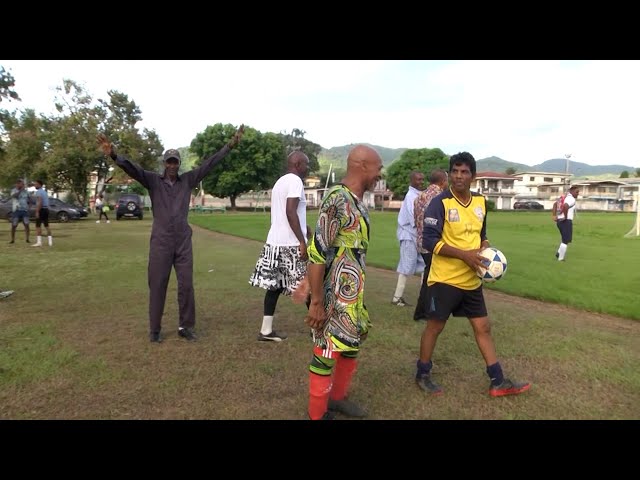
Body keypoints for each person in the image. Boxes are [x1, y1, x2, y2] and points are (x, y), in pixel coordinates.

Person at [97, 126, 245, 343]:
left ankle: (186, 326)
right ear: (164, 164)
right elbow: (133, 169)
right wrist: (114, 155)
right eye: (169, 162)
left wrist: (229, 146)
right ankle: (154, 329)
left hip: (183, 240)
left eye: (175, 162)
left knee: (186, 285)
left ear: (179, 164)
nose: (173, 165)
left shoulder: (188, 180)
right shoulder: (153, 181)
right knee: (157, 283)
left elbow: (209, 165)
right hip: (161, 241)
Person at [416, 151, 530, 397]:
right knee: (435, 327)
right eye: (454, 172)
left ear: (473, 176)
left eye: (464, 172)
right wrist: (465, 255)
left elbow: (481, 234)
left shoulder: (480, 202)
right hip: (444, 279)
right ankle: (422, 373)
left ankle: (497, 381)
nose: (458, 176)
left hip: (472, 279)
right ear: (449, 174)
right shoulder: (440, 203)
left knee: (483, 327)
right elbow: (429, 241)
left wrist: (485, 247)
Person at [305, 144, 383, 420]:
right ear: (362, 166)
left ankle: (336, 399)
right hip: (332, 295)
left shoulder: (359, 201)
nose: (380, 173)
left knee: (350, 346)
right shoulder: (337, 199)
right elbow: (317, 251)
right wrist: (315, 302)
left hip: (354, 294)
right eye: (378, 167)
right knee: (327, 350)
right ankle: (317, 414)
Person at [248, 151, 311, 342]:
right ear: (298, 164)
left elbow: (289, 214)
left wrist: (305, 228)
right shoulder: (295, 181)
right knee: (307, 285)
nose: (308, 168)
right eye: (306, 164)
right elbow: (290, 211)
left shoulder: (280, 182)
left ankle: (266, 331)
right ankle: (319, 330)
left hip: (275, 242)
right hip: (290, 244)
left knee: (274, 287)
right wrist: (301, 240)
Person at [412, 169, 448, 321]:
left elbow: (416, 221)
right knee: (432, 280)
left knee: (429, 277)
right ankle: (425, 312)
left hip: (421, 242)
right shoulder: (441, 198)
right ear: (442, 181)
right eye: (446, 180)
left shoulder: (419, 197)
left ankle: (423, 312)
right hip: (434, 244)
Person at [392, 170, 425, 306]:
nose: (421, 182)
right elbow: (415, 219)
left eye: (422, 179)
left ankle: (424, 297)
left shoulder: (417, 195)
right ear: (411, 181)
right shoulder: (411, 196)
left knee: (425, 265)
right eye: (418, 179)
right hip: (408, 236)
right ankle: (396, 298)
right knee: (406, 266)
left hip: (415, 236)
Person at [554, 185, 579, 261]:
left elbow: (555, 204)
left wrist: (554, 215)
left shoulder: (564, 197)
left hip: (559, 221)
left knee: (564, 239)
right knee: (565, 240)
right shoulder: (571, 199)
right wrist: (565, 216)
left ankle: (559, 253)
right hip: (566, 221)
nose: (577, 194)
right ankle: (561, 259)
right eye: (577, 192)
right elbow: (565, 206)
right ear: (572, 191)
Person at [32, 180, 52, 247]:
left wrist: (37, 211)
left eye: (36, 184)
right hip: (46, 209)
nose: (35, 186)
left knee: (38, 226)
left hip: (42, 209)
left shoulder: (38, 192)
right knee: (46, 225)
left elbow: (40, 202)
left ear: (40, 185)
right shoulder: (44, 192)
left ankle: (39, 242)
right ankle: (50, 242)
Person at [9, 178, 30, 244]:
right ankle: (12, 240)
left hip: (24, 210)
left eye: (23, 184)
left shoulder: (26, 191)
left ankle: (27, 239)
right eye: (22, 183)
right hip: (16, 210)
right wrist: (20, 190)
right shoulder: (14, 190)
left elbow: (29, 199)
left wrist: (29, 205)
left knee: (26, 224)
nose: (23, 185)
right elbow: (15, 196)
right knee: (14, 225)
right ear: (18, 184)